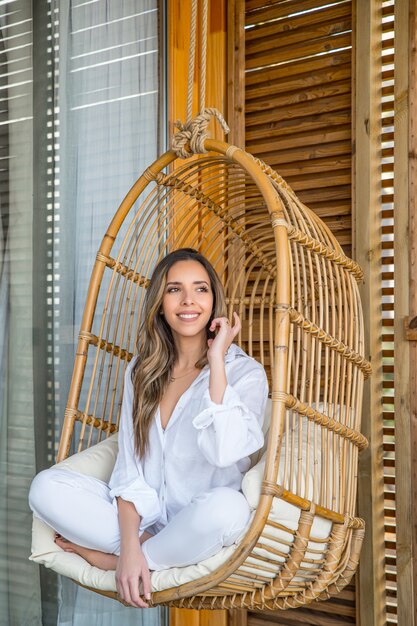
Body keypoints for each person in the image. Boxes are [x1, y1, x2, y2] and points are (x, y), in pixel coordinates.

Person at [29, 248, 268, 608]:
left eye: (200, 289)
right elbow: (130, 470)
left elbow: (226, 451)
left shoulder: (244, 373)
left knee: (229, 509)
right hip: (148, 524)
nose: (189, 300)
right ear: (159, 302)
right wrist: (129, 546)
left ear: (214, 300)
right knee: (44, 488)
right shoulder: (142, 370)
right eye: (174, 289)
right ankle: (144, 557)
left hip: (201, 523)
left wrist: (217, 359)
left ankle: (115, 562)